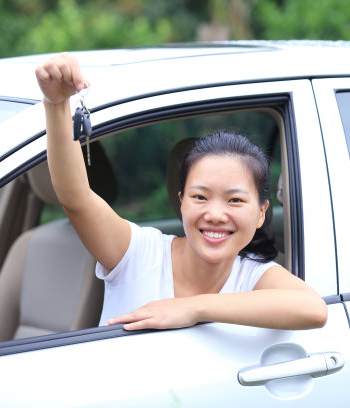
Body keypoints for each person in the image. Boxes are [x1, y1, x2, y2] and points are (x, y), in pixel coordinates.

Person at [35, 53, 327, 331]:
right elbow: (76, 199)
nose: (214, 214)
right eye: (200, 197)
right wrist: (57, 104)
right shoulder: (138, 253)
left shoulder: (252, 277)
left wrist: (193, 308)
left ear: (261, 213)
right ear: (181, 202)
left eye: (235, 200)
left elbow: (313, 309)